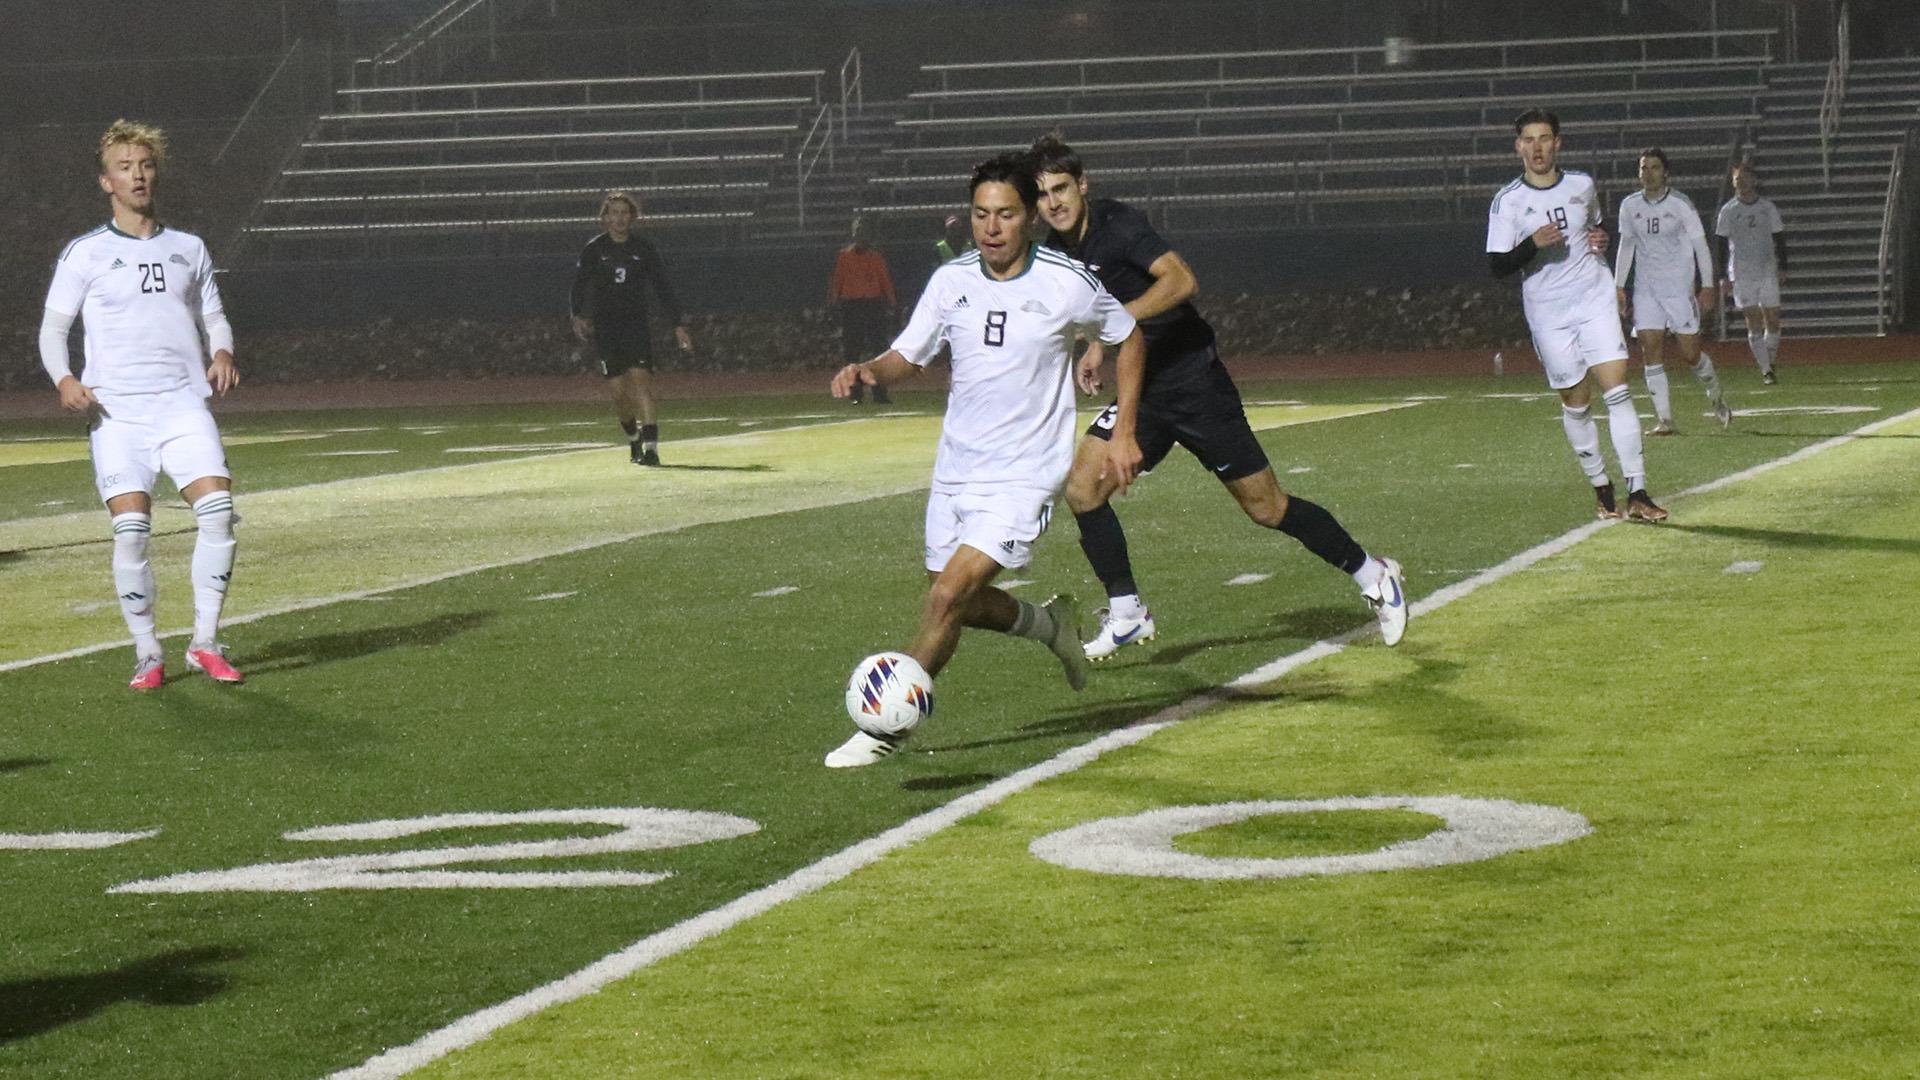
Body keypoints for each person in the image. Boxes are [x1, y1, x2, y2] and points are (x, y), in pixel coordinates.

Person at [822, 152, 1147, 768]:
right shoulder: (951, 283)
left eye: (1005, 214)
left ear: (1029, 219)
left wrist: (1125, 426)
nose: (991, 227)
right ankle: (1051, 628)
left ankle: (884, 724)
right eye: (980, 214)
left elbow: (1128, 335)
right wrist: (869, 368)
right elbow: (908, 357)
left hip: (1026, 475)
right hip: (956, 470)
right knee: (957, 602)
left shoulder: (1065, 280)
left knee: (946, 599)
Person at [1028, 134, 1407, 660]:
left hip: (1194, 383)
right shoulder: (1054, 251)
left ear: (1083, 185)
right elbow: (1094, 309)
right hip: (1147, 389)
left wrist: (1116, 325)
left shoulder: (1119, 226)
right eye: (1043, 194)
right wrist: (1096, 344)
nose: (1054, 202)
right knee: (1083, 490)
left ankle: (1373, 573)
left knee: (1268, 508)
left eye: (1062, 189)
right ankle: (1127, 612)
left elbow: (1182, 280)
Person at [40, 119, 244, 689]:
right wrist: (63, 380)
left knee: (219, 513)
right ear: (106, 182)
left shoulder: (190, 248)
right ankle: (148, 652)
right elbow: (53, 330)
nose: (138, 175)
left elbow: (213, 314)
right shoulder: (85, 253)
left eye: (145, 165)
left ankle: (204, 643)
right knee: (132, 528)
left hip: (182, 404)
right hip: (118, 413)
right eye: (125, 167)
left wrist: (222, 349)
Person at [1488, 108, 1667, 523]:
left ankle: (1638, 491)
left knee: (1617, 388)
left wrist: (1601, 238)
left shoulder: (1582, 185)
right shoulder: (1508, 201)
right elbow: (1497, 266)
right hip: (1548, 310)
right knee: (1576, 401)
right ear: (1518, 147)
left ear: (1558, 143)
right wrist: (1532, 244)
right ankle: (1603, 488)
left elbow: (1597, 226)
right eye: (1529, 140)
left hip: (1593, 295)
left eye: (1544, 138)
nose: (1537, 147)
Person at [1613, 147, 1733, 435]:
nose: (1649, 173)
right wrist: (1618, 285)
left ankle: (1715, 395)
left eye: (1654, 167)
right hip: (1646, 289)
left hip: (1678, 289)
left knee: (1690, 354)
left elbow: (1700, 245)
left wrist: (1706, 285)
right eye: (1644, 168)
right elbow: (1626, 245)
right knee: (1649, 349)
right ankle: (1666, 420)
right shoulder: (1629, 206)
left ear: (1665, 172)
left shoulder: (1680, 204)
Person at [569, 191, 693, 465]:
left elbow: (662, 287)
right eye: (614, 212)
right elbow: (578, 285)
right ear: (605, 218)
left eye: (625, 213)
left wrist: (677, 325)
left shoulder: (643, 248)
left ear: (633, 217)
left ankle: (652, 450)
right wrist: (576, 315)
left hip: (636, 327)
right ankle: (634, 438)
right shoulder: (595, 249)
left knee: (641, 385)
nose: (620, 218)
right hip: (607, 330)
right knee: (619, 394)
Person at [1714, 162, 1787, 384]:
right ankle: (1766, 370)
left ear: (1754, 180)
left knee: (1772, 319)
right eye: (1738, 179)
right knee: (1753, 320)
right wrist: (1722, 277)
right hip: (1741, 272)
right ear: (1733, 182)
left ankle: (1769, 361)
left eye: (1746, 178)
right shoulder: (1728, 211)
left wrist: (1783, 266)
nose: (1742, 183)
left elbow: (1779, 238)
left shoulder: (1767, 208)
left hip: (1766, 269)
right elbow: (1720, 243)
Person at [827, 214, 897, 405]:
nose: (860, 235)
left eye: (863, 231)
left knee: (878, 353)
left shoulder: (876, 258)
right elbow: (837, 282)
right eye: (857, 231)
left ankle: (880, 393)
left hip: (874, 305)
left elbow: (885, 281)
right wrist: (833, 303)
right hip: (852, 307)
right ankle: (855, 394)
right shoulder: (844, 257)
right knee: (852, 353)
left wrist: (891, 303)